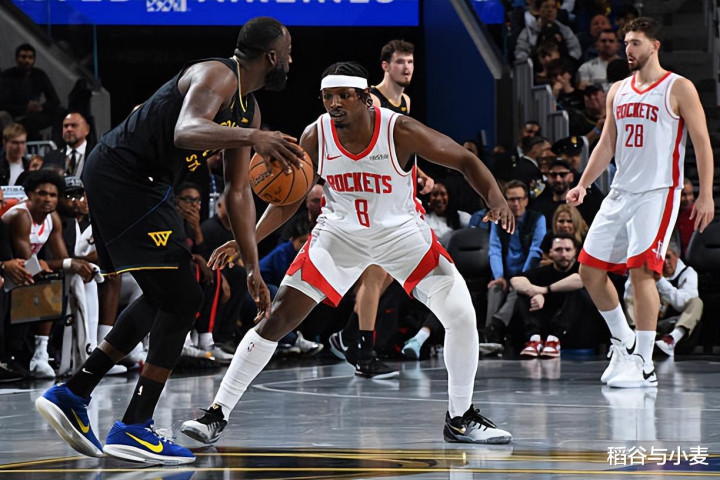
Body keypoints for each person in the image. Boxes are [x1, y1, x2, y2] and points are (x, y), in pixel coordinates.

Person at [180, 61, 514, 445]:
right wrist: (247, 241)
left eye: (343, 96)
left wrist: (495, 198)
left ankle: (460, 418)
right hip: (339, 235)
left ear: (366, 98)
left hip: (401, 235)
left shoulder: (399, 130)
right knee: (277, 318)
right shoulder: (316, 134)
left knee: (462, 315)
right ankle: (216, 413)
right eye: (327, 97)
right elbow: (290, 200)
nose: (334, 103)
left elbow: (465, 160)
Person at [35, 16, 304, 465]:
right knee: (183, 296)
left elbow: (238, 191)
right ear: (272, 56)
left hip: (145, 185)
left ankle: (75, 392)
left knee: (168, 294)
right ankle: (134, 425)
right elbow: (186, 129)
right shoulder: (217, 74)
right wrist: (253, 137)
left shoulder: (249, 109)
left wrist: (252, 266)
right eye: (289, 52)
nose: (292, 60)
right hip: (124, 176)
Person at [567, 17, 715, 388]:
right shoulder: (618, 89)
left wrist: (706, 194)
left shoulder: (679, 87)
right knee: (589, 270)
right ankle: (624, 341)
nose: (628, 50)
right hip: (620, 191)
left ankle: (644, 364)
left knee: (642, 272)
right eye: (626, 43)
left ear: (655, 45)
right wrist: (583, 183)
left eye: (635, 42)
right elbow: (607, 143)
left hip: (658, 192)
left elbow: (702, 143)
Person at [330, 39, 434, 377]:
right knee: (375, 274)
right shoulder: (371, 100)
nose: (407, 68)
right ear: (385, 66)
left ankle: (348, 336)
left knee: (388, 274)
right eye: (401, 62)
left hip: (396, 197)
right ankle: (363, 352)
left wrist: (420, 174)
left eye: (411, 62)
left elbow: (399, 149)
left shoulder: (405, 101)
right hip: (370, 197)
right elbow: (363, 148)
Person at [2, 170, 95, 378]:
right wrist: (65, 263)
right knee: (39, 281)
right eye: (41, 193)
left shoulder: (52, 218)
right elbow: (28, 263)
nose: (47, 199)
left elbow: (61, 259)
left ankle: (41, 353)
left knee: (56, 280)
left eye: (52, 195)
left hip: (21, 273)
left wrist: (68, 264)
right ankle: (18, 355)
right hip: (9, 269)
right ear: (29, 195)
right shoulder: (21, 216)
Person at [479, 180, 546, 356]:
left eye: (520, 199)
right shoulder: (498, 220)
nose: (516, 204)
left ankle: (495, 326)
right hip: (505, 273)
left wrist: (522, 276)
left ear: (526, 200)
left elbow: (536, 250)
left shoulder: (537, 219)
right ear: (505, 201)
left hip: (527, 274)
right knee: (495, 288)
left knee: (517, 289)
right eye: (511, 199)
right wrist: (499, 276)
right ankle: (490, 337)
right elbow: (494, 249)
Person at [624, 241, 702, 357]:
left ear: (676, 257)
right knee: (631, 297)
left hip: (673, 324)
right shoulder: (647, 272)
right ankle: (635, 338)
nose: (665, 262)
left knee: (697, 302)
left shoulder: (688, 273)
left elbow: (681, 304)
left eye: (668, 257)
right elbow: (628, 296)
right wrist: (638, 273)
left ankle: (670, 341)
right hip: (649, 324)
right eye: (661, 258)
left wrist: (660, 281)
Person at [511, 234, 584, 358]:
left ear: (575, 252)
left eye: (568, 250)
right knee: (523, 295)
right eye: (558, 250)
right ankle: (534, 339)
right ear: (550, 252)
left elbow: (581, 280)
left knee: (577, 293)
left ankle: (555, 340)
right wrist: (535, 293)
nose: (563, 254)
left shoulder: (580, 269)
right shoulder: (543, 272)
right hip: (545, 324)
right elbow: (516, 281)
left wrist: (545, 291)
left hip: (574, 327)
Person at [0, 44, 63, 141]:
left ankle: (57, 145)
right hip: (15, 116)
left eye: (30, 57)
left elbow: (54, 100)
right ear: (17, 58)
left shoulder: (39, 75)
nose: (26, 61)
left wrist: (41, 107)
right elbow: (3, 104)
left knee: (61, 112)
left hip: (34, 115)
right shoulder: (6, 76)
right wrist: (25, 108)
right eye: (23, 57)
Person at [43, 112, 92, 177]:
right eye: (65, 126)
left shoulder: (97, 156)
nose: (69, 129)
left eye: (74, 125)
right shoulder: (51, 157)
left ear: (87, 129)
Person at [674, 178, 695, 257]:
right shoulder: (672, 215)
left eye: (690, 194)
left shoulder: (697, 214)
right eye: (683, 195)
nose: (688, 199)